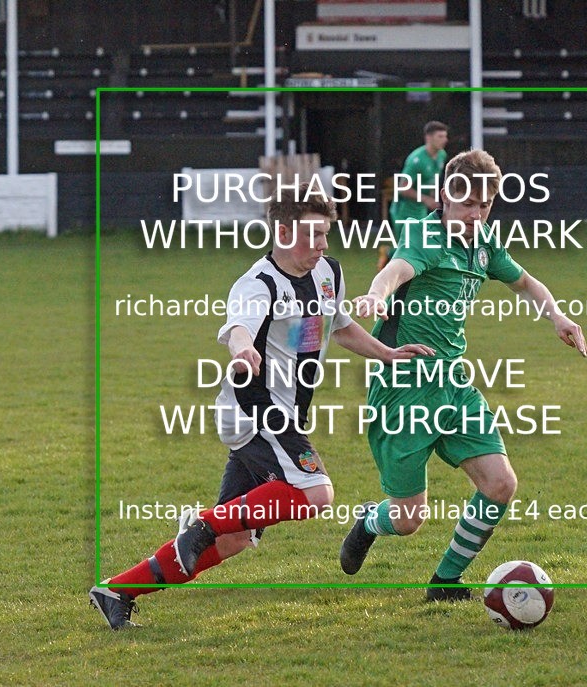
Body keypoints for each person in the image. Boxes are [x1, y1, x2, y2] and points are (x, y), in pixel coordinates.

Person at [89, 184, 434, 629]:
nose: (322, 244)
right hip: (256, 409)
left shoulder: (328, 271)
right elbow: (238, 327)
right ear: (283, 232)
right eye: (312, 235)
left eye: (326, 234)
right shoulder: (258, 283)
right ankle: (204, 522)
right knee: (317, 493)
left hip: (283, 415)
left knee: (232, 540)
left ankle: (118, 590)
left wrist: (386, 353)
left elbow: (338, 325)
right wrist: (242, 349)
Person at [341, 149, 587, 600]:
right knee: (408, 519)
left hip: (453, 385)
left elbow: (525, 283)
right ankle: (369, 521)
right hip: (403, 390)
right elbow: (396, 270)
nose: (476, 214)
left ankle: (445, 582)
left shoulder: (484, 242)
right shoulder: (426, 236)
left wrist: (558, 316)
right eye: (467, 203)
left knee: (501, 484)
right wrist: (376, 295)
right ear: (445, 198)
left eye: (485, 204)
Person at [379, 120, 449, 271]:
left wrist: (433, 199)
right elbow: (402, 188)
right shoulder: (416, 160)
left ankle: (389, 256)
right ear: (428, 138)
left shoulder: (441, 155)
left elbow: (432, 179)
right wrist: (426, 199)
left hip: (420, 209)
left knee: (416, 246)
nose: (445, 140)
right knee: (409, 247)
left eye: (445, 136)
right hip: (404, 209)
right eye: (440, 136)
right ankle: (392, 266)